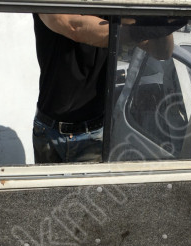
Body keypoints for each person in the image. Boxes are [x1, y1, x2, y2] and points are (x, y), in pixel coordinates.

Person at [32, 14, 177, 164]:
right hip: (48, 130)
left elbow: (162, 52)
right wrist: (144, 27)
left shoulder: (109, 10)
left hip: (92, 133)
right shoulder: (53, 7)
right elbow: (74, 27)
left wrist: (164, 22)